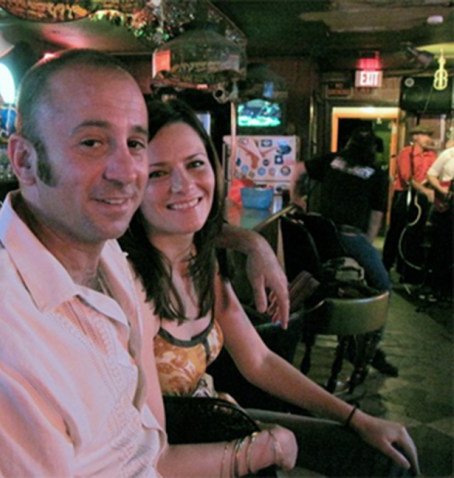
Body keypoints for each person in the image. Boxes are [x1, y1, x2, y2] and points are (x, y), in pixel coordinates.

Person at [0, 48, 288, 476]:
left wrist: (250, 242)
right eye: (92, 143)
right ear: (25, 161)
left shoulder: (105, 253)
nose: (126, 171)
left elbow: (143, 454)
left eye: (135, 144)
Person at [120, 98, 419, 476]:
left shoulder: (199, 259)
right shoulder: (130, 283)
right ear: (132, 185)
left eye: (195, 164)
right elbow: (153, 460)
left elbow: (258, 360)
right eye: (158, 173)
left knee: (388, 456)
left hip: (217, 416)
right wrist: (265, 448)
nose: (184, 185)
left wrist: (357, 418)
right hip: (181, 451)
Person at [290, 126, 399, 377]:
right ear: (374, 150)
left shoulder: (332, 160)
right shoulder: (378, 175)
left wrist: (296, 197)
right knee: (383, 286)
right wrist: (366, 245)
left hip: (318, 233)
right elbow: (376, 218)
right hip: (350, 236)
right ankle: (368, 349)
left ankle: (294, 331)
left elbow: (297, 170)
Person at [382, 125, 437, 282]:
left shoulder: (431, 155)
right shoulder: (406, 153)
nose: (428, 139)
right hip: (404, 195)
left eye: (429, 135)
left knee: (414, 233)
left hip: (421, 198)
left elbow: (434, 175)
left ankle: (407, 271)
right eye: (425, 135)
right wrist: (425, 190)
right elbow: (407, 177)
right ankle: (385, 268)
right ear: (415, 137)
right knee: (397, 231)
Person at [425, 138, 454, 300]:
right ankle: (438, 286)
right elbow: (431, 174)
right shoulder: (448, 154)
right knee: (444, 245)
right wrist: (442, 191)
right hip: (449, 204)